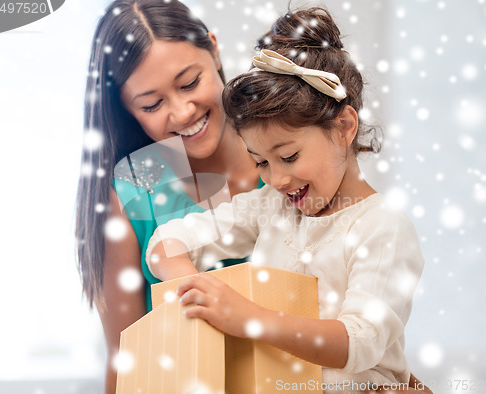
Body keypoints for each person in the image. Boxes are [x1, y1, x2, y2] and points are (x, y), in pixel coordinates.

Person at [146, 7, 430, 394]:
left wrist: (251, 319)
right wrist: (195, 289)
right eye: (260, 161)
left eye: (289, 156)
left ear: (345, 127)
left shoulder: (381, 227)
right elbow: (167, 242)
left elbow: (359, 343)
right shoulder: (271, 207)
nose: (276, 179)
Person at [75, 1, 261, 393]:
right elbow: (124, 363)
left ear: (213, 49)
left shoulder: (287, 154)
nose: (181, 112)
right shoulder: (134, 191)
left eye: (190, 83)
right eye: (152, 104)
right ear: (128, 110)